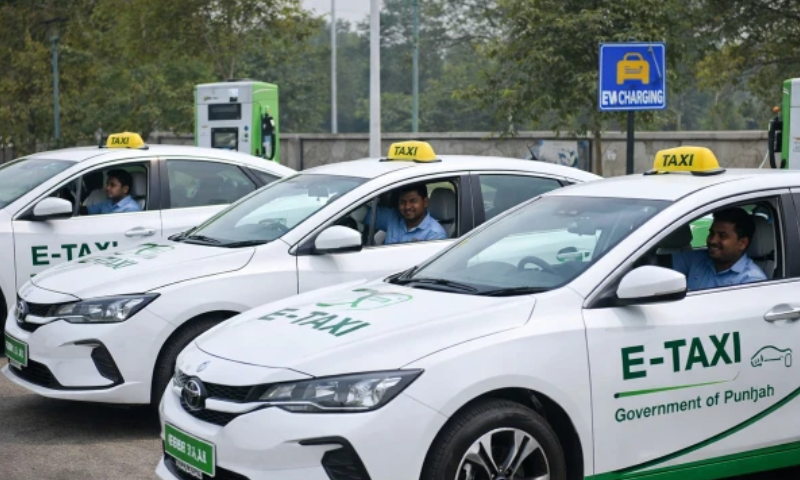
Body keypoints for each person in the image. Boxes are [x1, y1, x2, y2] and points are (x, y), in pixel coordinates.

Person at [672, 207, 767, 291]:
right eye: (711, 233)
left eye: (722, 236)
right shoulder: (698, 258)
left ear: (742, 243)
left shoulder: (752, 281)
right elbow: (663, 267)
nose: (712, 240)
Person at [365, 183, 447, 244]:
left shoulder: (435, 235)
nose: (407, 206)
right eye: (402, 202)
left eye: (413, 201)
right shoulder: (393, 217)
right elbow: (363, 214)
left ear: (425, 202)